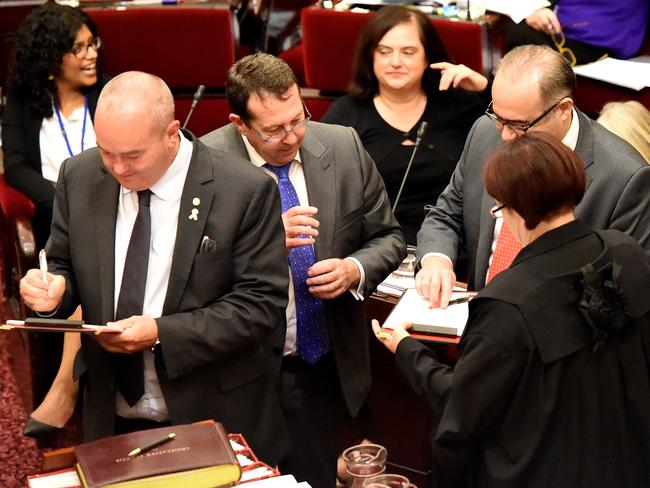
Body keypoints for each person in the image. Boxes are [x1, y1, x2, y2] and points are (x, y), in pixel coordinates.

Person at [18, 71, 291, 465]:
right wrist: (53, 291)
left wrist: (162, 332)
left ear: (171, 133)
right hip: (110, 406)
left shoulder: (243, 190)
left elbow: (260, 305)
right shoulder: (80, 175)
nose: (117, 168)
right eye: (106, 152)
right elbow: (62, 262)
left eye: (132, 156)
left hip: (210, 408)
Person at [373, 132, 650, 487]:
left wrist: (406, 349)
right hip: (627, 457)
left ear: (518, 209)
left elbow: (465, 407)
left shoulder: (508, 301)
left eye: (500, 207)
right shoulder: (624, 251)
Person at [201, 53, 406, 487]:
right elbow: (188, 273)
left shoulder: (343, 146)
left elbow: (389, 237)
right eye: (274, 129)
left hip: (321, 360)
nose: (292, 136)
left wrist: (354, 269)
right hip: (244, 368)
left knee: (313, 473)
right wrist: (264, 240)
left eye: (298, 118)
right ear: (240, 124)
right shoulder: (205, 165)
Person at [416, 45, 650, 309]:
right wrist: (437, 260)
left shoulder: (626, 178)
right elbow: (447, 213)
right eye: (497, 117)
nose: (504, 136)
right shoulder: (484, 132)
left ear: (563, 109)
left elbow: (626, 294)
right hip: (477, 321)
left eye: (519, 125)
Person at [1, 3, 107, 439]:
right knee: (83, 258)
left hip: (112, 213)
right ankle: (70, 382)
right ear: (50, 56)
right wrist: (62, 201)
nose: (91, 55)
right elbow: (18, 167)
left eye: (92, 44)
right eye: (78, 48)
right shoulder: (25, 101)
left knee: (92, 256)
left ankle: (65, 386)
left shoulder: (108, 95)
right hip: (53, 220)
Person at [321, 5, 489, 245]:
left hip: (455, 250)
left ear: (427, 56)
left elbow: (525, 122)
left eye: (408, 52)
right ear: (370, 56)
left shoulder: (460, 107)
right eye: (384, 51)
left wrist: (485, 87)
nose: (396, 62)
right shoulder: (345, 115)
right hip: (372, 253)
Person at [502, 0, 649, 65]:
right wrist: (532, 11)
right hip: (556, 32)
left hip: (595, 46)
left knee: (518, 31)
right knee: (515, 25)